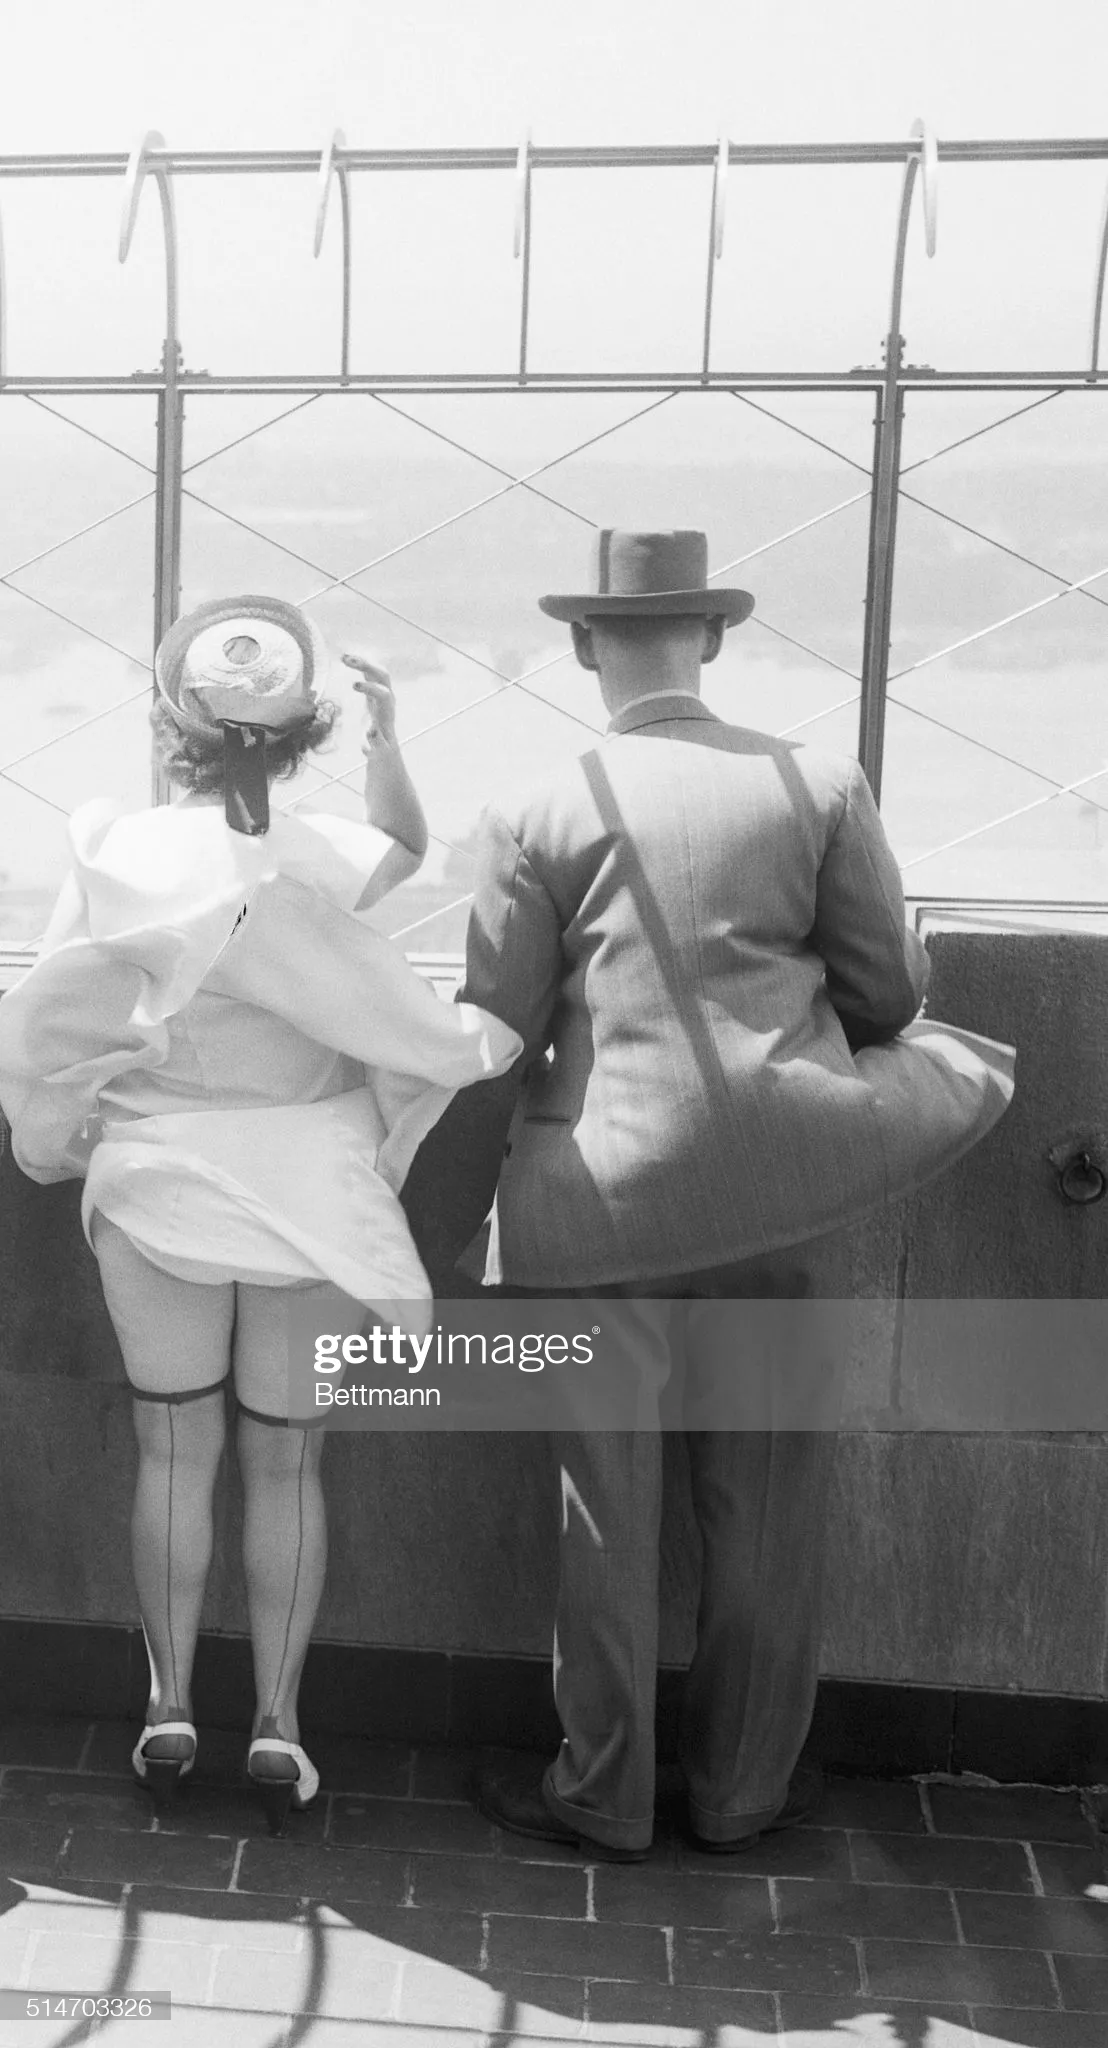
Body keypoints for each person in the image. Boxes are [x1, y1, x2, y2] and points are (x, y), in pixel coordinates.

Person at [401, 529, 1016, 1863]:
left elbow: (495, 1031)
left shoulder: (534, 809)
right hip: (778, 1205)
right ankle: (741, 1794)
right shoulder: (819, 781)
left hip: (600, 1206)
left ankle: (604, 1792)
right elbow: (890, 1000)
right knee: (766, 1509)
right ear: (716, 641)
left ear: (581, 645)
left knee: (606, 1515)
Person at [0, 595, 520, 1833]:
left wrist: (64, 1135)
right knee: (287, 1456)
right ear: (300, 738)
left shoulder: (118, 851)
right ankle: (280, 1718)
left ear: (171, 729)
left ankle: (168, 1699)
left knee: (174, 1448)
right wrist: (386, 738)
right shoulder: (321, 853)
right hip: (305, 1192)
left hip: (159, 1182)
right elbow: (405, 845)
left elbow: (49, 1028)